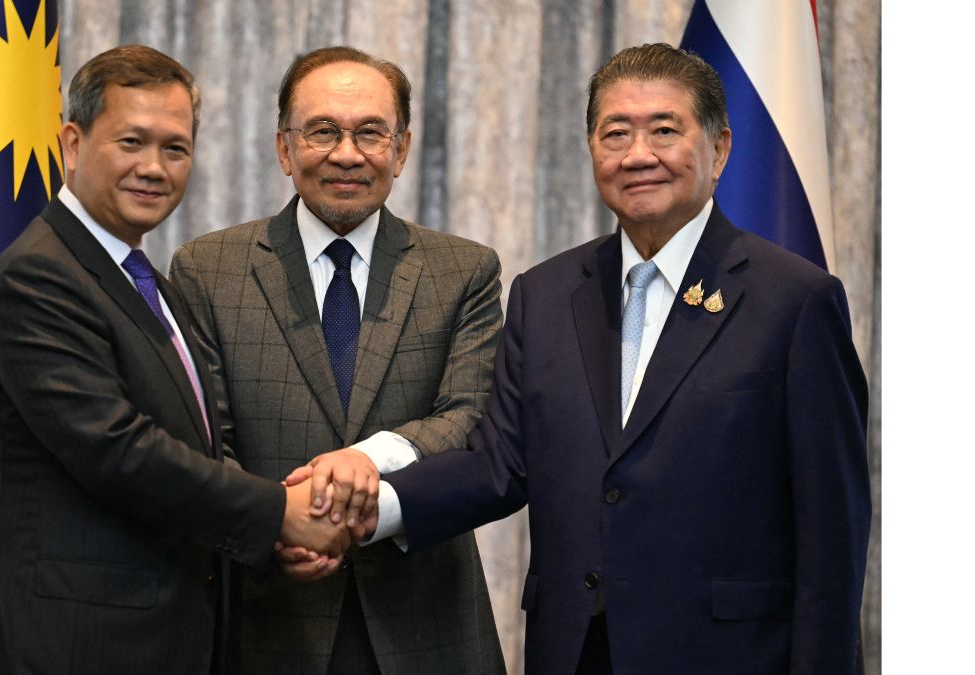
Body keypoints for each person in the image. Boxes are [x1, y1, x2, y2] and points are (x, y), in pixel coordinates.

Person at [306, 43, 872, 674]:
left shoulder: (795, 301)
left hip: (729, 656)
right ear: (592, 150)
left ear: (719, 149)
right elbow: (499, 465)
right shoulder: (546, 294)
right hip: (575, 653)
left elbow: (833, 532)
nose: (638, 155)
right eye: (615, 133)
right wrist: (365, 508)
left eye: (664, 130)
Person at [0, 45, 350, 675]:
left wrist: (270, 540)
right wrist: (279, 514)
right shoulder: (39, 276)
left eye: (175, 148)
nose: (154, 168)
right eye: (132, 141)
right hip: (68, 644)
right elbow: (118, 452)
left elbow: (192, 446)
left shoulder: (151, 283)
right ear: (73, 144)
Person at [170, 46, 505, 674]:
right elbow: (204, 438)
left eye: (370, 133)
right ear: (283, 147)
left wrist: (364, 461)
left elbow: (470, 417)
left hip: (426, 620)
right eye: (323, 130)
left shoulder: (465, 270)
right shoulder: (206, 269)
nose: (347, 153)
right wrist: (275, 525)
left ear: (401, 150)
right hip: (266, 618)